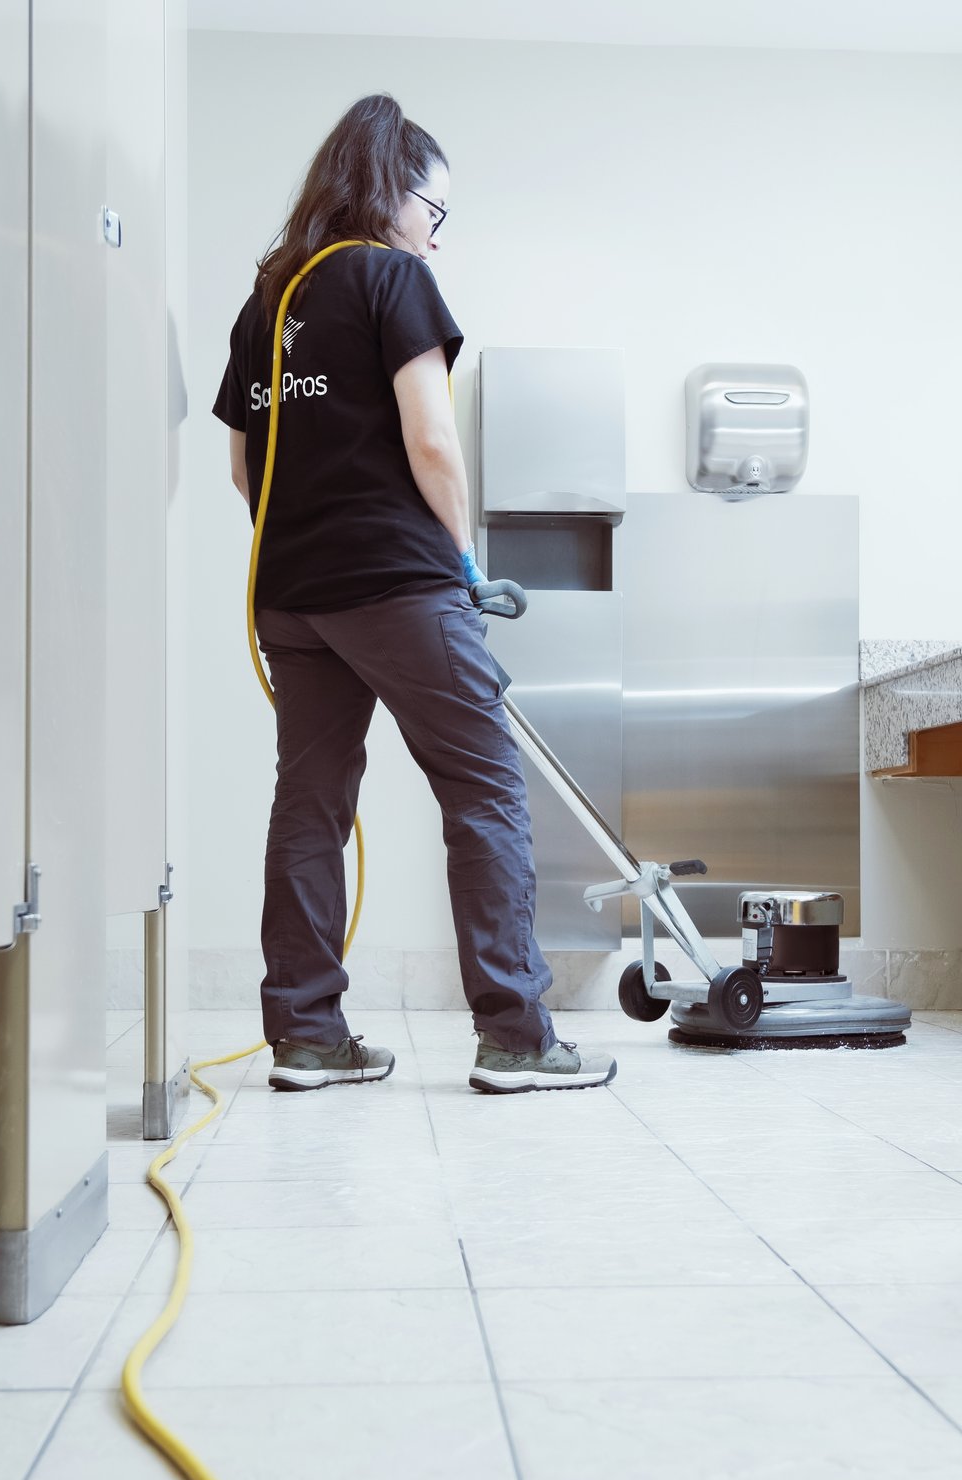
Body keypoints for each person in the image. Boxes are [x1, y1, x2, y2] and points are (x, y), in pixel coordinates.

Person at [215, 94, 613, 1096]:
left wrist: (312, 537)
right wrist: (465, 565)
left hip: (290, 597)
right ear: (392, 195)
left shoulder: (264, 303)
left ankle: (305, 1035)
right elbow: (432, 441)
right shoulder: (391, 279)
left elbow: (241, 471)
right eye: (434, 212)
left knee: (308, 807)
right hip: (397, 581)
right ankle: (517, 1035)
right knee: (484, 792)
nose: (435, 236)